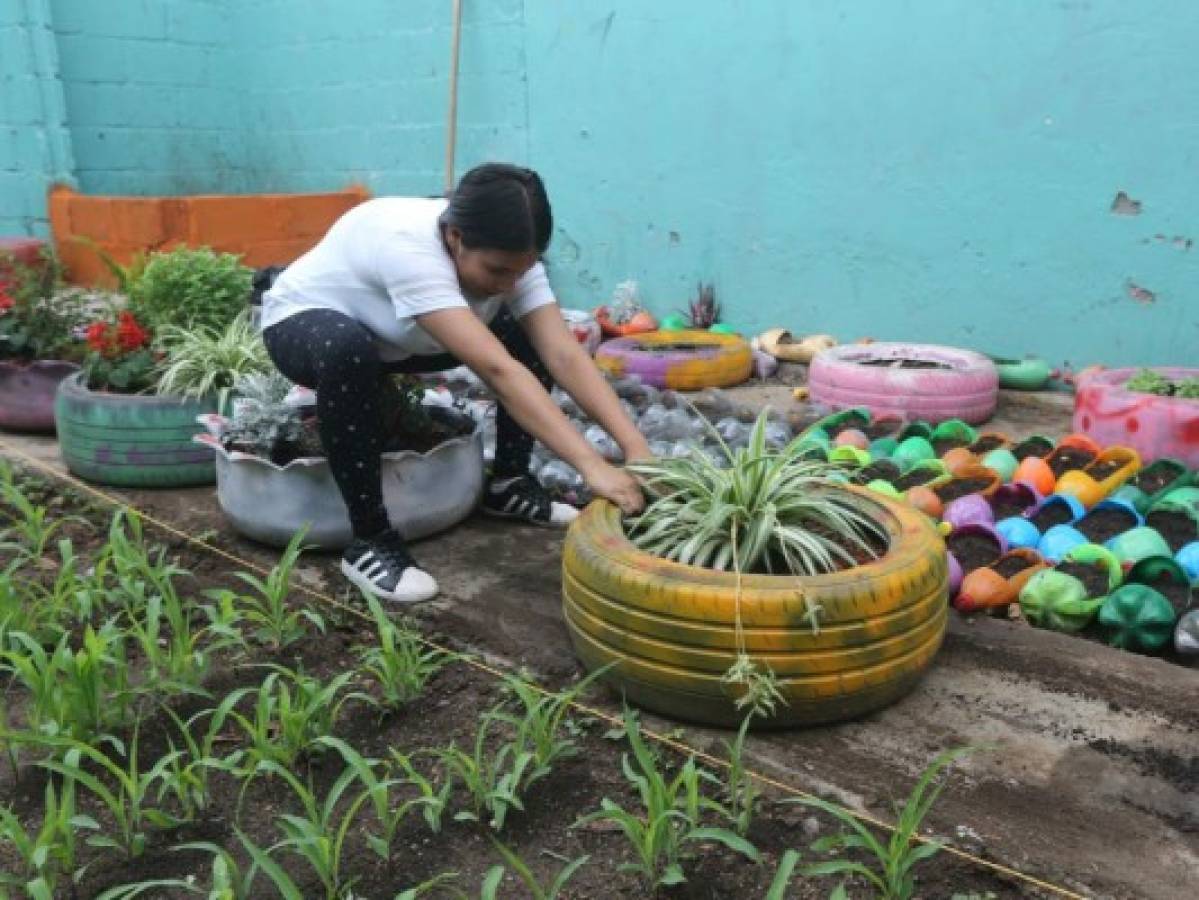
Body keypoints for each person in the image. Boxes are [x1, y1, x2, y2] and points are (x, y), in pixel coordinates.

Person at [260, 163, 650, 604]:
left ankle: (509, 483)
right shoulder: (407, 248)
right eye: (497, 271)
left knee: (527, 334)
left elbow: (564, 354)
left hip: (399, 339)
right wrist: (592, 465)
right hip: (306, 327)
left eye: (521, 272)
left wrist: (638, 451)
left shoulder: (511, 255)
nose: (509, 284)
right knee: (346, 350)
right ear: (455, 239)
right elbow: (499, 373)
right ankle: (369, 539)